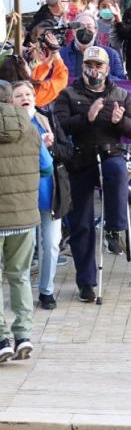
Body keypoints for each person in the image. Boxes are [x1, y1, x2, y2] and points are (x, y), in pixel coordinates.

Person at [52, 46, 131, 303]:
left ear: (106, 68)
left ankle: (115, 228)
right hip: (80, 160)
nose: (94, 70)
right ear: (83, 67)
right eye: (89, 65)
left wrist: (120, 122)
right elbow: (60, 126)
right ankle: (86, 283)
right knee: (81, 224)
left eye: (99, 65)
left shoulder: (120, 94)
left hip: (110, 154)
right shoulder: (68, 94)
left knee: (117, 169)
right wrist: (86, 117)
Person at [11, 81, 71, 311]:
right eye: (19, 95)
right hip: (22, 195)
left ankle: (46, 290)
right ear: (11, 101)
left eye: (28, 94)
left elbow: (67, 152)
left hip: (50, 194)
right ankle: (23, 292)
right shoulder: (10, 125)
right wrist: (37, 147)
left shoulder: (47, 119)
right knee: (27, 246)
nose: (24, 97)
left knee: (52, 245)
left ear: (35, 98)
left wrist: (52, 147)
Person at [0, 80, 42, 361]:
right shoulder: (32, 128)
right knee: (20, 276)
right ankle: (23, 335)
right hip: (25, 216)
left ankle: (2, 338)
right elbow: (47, 167)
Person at [59, 13, 127, 81]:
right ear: (73, 31)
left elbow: (122, 83)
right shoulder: (60, 55)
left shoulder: (111, 54)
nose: (85, 30)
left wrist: (102, 74)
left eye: (89, 27)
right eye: (80, 27)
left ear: (95, 31)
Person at [23, 23, 69, 108]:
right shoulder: (34, 92)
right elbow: (61, 79)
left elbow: (36, 78)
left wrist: (52, 55)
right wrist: (55, 51)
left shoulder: (12, 89)